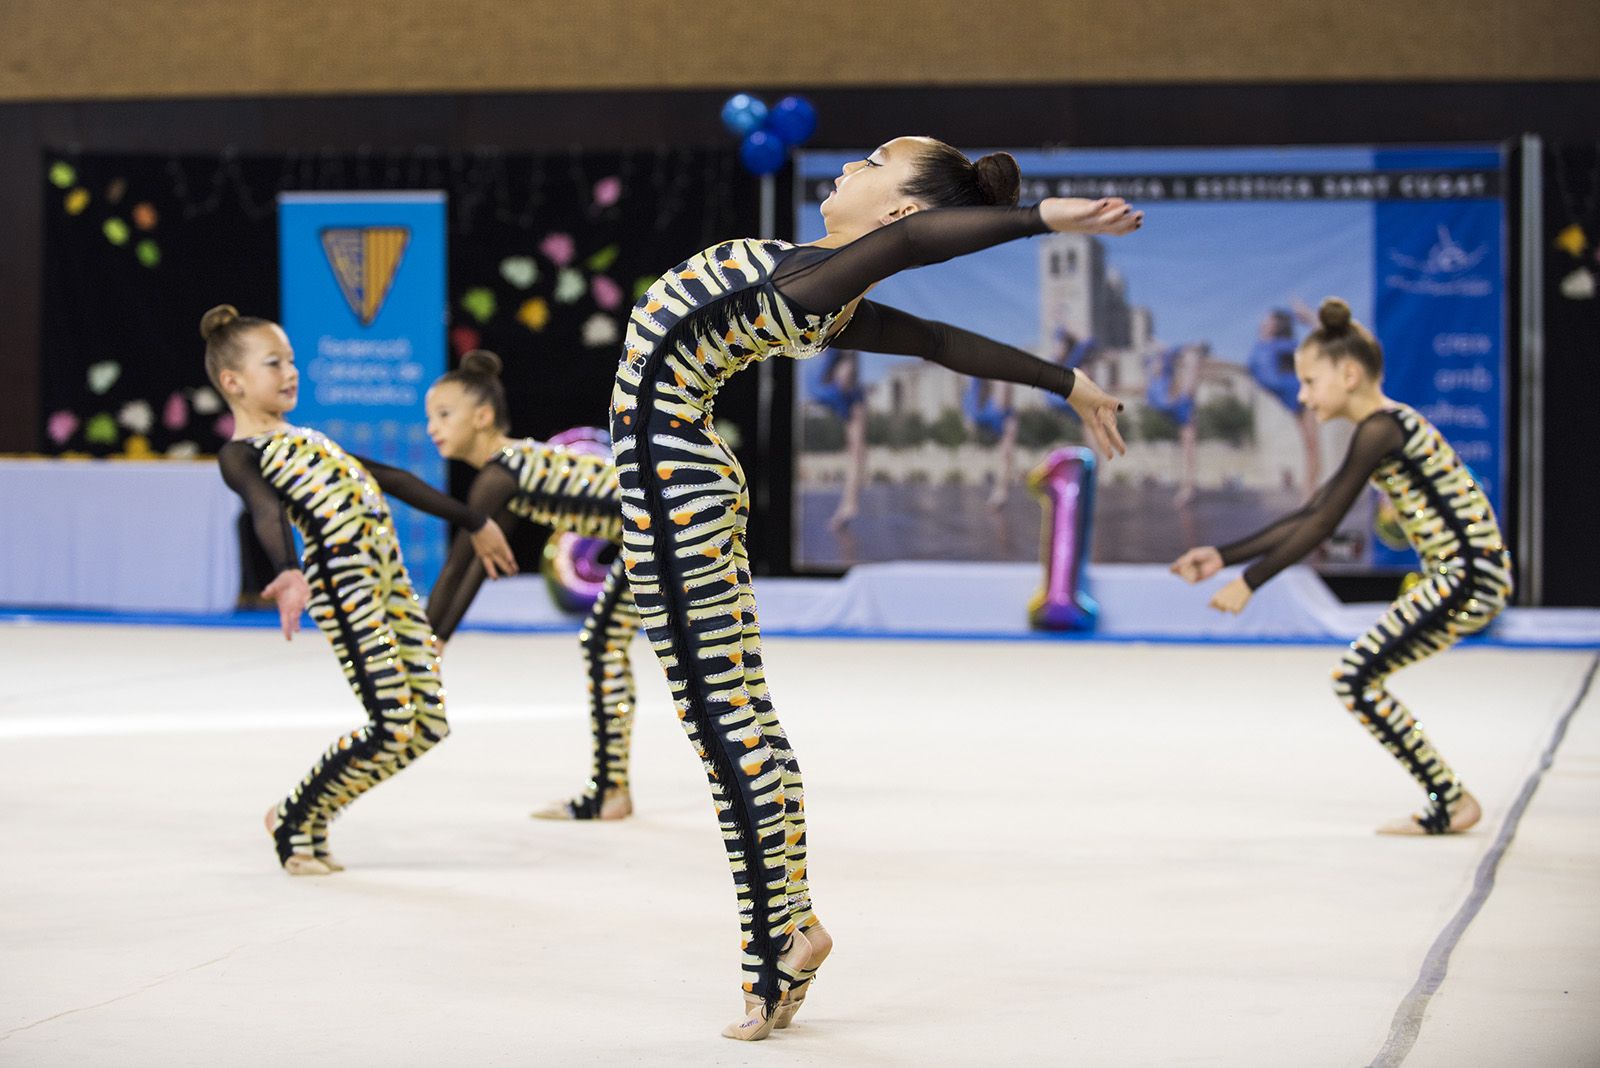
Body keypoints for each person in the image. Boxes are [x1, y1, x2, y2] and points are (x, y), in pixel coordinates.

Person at [611, 136, 1138, 1040]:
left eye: (875, 160)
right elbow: (937, 340)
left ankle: (777, 940)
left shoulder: (813, 289)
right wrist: (1066, 380)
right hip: (679, 476)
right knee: (733, 712)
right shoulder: (817, 287)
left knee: (722, 718)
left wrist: (1044, 222)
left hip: (670, 480)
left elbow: (914, 255)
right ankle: (792, 925)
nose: (852, 164)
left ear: (901, 209)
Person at [1171, 298, 1512, 837]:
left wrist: (1250, 581)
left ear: (1349, 374)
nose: (1302, 396)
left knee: (1355, 678)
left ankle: (1451, 800)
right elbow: (1310, 512)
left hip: (1467, 577)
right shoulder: (1387, 427)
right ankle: (1449, 797)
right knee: (1359, 679)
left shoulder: (1381, 428)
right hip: (1470, 576)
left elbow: (1323, 523)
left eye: (1309, 382)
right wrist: (1222, 557)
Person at [205, 305, 515, 874]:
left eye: (292, 360)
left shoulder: (310, 439)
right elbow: (265, 508)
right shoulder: (242, 453)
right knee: (393, 719)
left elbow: (392, 479)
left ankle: (304, 811)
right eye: (274, 363)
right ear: (234, 382)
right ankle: (297, 818)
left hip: (389, 579)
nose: (291, 371)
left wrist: (474, 520)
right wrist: (288, 568)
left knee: (427, 724)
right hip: (344, 583)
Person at [421, 350, 641, 821]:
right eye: (429, 418)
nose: (432, 428)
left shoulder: (502, 472)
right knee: (603, 644)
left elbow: (459, 563)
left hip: (659, 528)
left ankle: (611, 790)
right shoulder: (508, 470)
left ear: (482, 417)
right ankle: (611, 790)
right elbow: (481, 561)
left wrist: (430, 641)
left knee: (609, 646)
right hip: (645, 535)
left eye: (443, 415)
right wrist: (436, 639)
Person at [1246, 303, 1322, 493]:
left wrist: (1306, 317)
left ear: (1276, 325)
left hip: (1305, 398)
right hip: (1292, 402)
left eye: (1268, 319)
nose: (1263, 322)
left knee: (1312, 447)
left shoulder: (1283, 346)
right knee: (1310, 447)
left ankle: (1309, 493)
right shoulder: (1259, 348)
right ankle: (1310, 492)